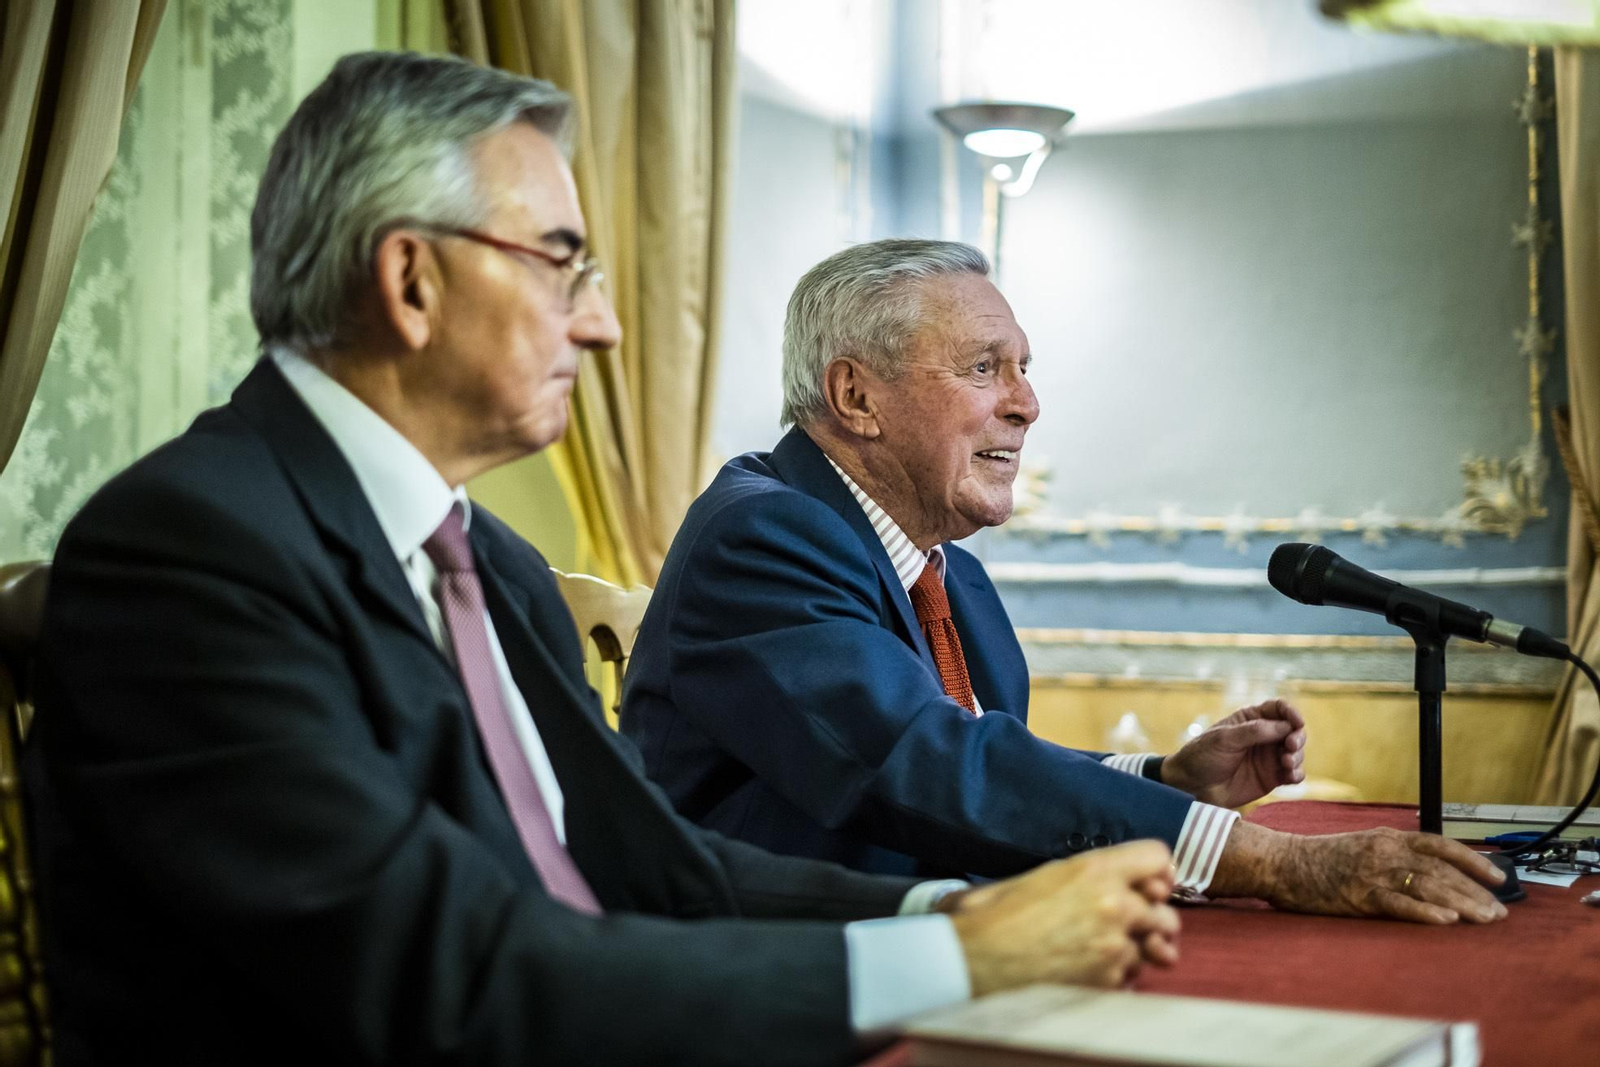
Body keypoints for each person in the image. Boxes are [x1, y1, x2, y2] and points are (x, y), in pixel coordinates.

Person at [24, 55, 1182, 1067]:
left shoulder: (490, 561)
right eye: (561, 262)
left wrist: (947, 911)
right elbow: (437, 975)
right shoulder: (187, 552)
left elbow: (657, 867)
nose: (601, 324)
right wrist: (952, 959)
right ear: (411, 280)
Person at [621, 237, 1510, 926]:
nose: (1026, 403)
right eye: (983, 368)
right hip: (785, 980)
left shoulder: (951, 573)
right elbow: (927, 765)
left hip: (943, 944)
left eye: (1023, 368)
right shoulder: (763, 535)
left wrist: (1166, 779)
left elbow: (982, 760)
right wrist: (1281, 862)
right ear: (857, 397)